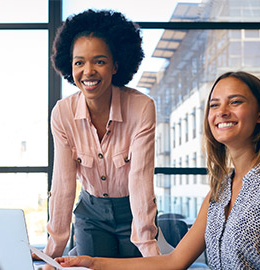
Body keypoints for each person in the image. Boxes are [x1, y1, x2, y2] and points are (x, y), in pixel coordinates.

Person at [56, 71, 260, 269]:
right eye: (214, 105)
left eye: (235, 102)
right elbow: (174, 262)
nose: (222, 111)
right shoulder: (219, 192)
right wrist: (92, 262)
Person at [43, 9, 160, 259]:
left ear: (116, 65)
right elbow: (63, 185)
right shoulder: (62, 113)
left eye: (99, 61)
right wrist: (52, 252)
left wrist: (150, 252)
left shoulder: (141, 108)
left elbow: (140, 181)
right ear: (69, 66)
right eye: (79, 62)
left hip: (133, 212)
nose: (88, 71)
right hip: (90, 214)